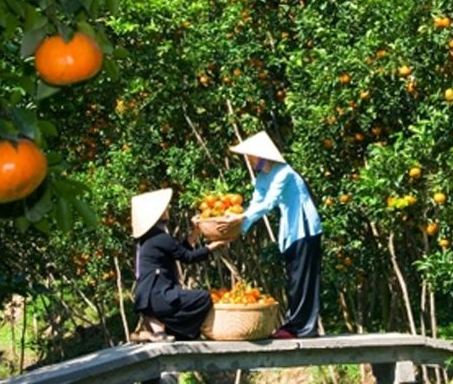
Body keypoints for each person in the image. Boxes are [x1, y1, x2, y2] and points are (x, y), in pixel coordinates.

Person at [221, 131, 323, 339]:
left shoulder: (284, 172)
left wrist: (239, 220)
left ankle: (303, 328)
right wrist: (238, 227)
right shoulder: (263, 177)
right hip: (291, 230)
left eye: (249, 156)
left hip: (304, 226)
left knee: (303, 278)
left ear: (261, 155)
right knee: (294, 278)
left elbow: (270, 202)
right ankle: (296, 325)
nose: (247, 160)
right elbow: (256, 203)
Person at [131, 188, 228, 342]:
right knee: (202, 298)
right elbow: (188, 257)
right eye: (164, 209)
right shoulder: (160, 238)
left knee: (192, 302)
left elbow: (180, 251)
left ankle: (155, 331)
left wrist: (195, 231)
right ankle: (163, 330)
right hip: (159, 297)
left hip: (149, 299)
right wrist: (213, 246)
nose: (167, 210)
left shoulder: (150, 238)